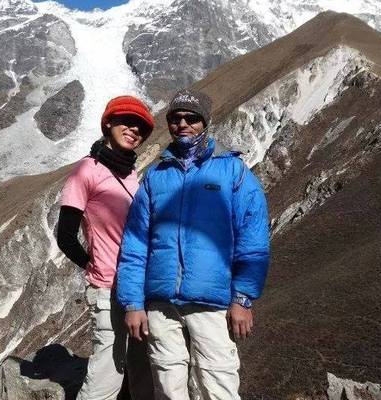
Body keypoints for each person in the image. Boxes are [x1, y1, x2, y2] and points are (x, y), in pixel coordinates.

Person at [116, 89, 270, 400]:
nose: (183, 124)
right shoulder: (155, 176)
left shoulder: (232, 171)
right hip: (161, 304)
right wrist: (133, 303)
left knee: (219, 386)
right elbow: (135, 243)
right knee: (168, 389)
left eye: (191, 118)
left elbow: (253, 240)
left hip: (212, 304)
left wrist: (242, 298)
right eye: (175, 118)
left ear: (205, 122)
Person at [57, 95, 155, 400]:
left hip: (139, 287)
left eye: (140, 127)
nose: (134, 129)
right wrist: (95, 265)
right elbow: (66, 236)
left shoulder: (131, 173)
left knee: (142, 370)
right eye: (127, 121)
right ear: (108, 123)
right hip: (108, 287)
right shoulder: (86, 171)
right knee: (108, 372)